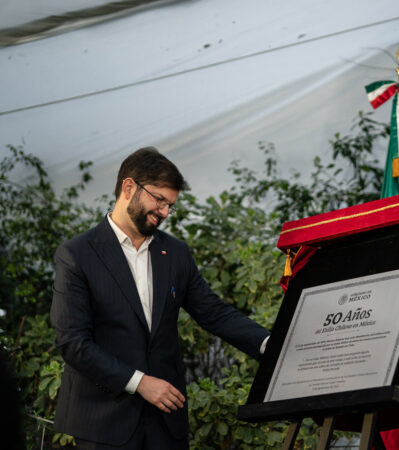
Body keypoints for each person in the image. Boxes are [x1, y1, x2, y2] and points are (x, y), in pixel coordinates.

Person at [50, 147, 270, 449]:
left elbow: (213, 312)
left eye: (171, 205)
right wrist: (139, 382)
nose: (165, 212)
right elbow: (72, 342)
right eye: (159, 200)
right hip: (103, 423)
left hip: (166, 424)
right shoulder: (76, 255)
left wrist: (270, 345)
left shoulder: (177, 253)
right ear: (129, 187)